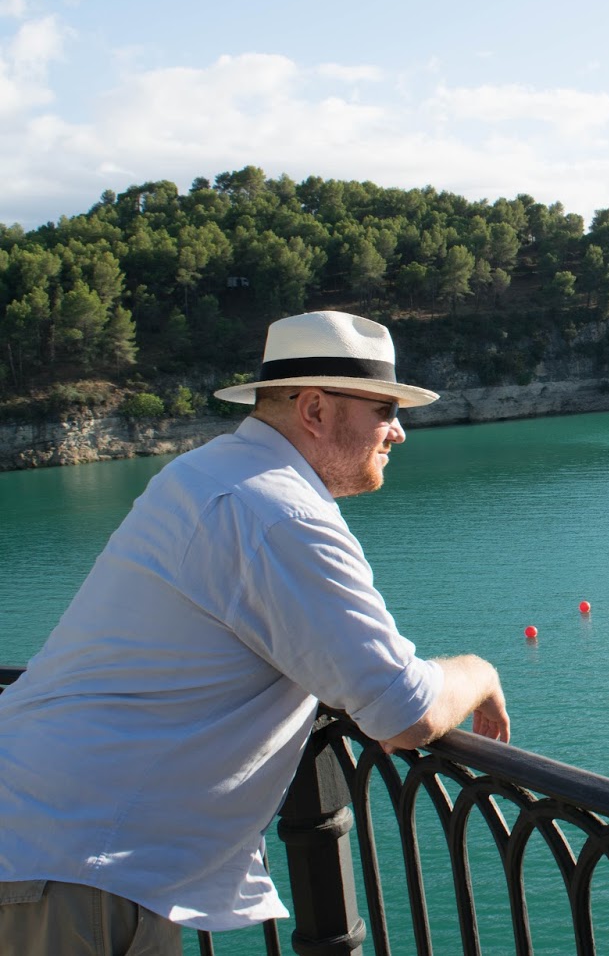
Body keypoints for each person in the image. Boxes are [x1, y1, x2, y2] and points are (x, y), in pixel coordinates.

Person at [0, 310, 510, 956]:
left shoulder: (204, 474)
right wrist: (481, 672)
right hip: (73, 870)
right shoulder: (279, 512)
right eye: (384, 409)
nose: (399, 432)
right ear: (316, 410)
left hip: (49, 845)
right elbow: (402, 714)